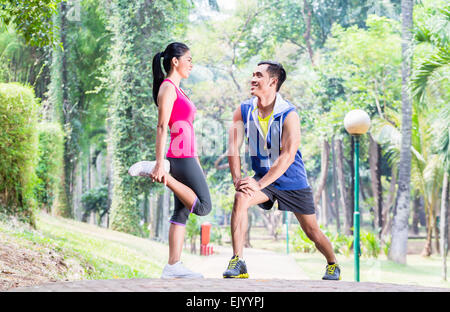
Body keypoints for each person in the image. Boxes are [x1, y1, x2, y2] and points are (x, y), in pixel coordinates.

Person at [223, 60, 341, 280]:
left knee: (312, 231)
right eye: (253, 74)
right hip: (262, 180)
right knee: (240, 197)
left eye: (259, 75)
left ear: (273, 81)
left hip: (292, 181)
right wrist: (237, 178)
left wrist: (259, 183)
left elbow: (287, 157)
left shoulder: (289, 114)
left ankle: (333, 263)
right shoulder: (244, 110)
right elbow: (233, 147)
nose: (253, 79)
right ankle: (238, 261)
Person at [132, 42, 212, 279]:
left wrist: (197, 161)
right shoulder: (167, 89)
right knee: (203, 207)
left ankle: (172, 266)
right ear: (175, 62)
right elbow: (161, 127)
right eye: (188, 59)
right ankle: (162, 175)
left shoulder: (180, 90)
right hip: (178, 157)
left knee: (181, 213)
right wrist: (159, 163)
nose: (191, 64)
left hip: (188, 156)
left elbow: (187, 128)